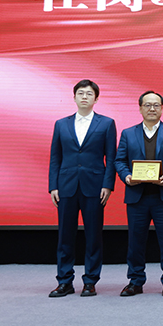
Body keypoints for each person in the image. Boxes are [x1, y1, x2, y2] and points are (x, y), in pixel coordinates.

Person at [48, 80, 117, 297]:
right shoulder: (61, 124)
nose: (84, 97)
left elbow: (111, 158)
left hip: (95, 187)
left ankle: (90, 281)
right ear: (74, 97)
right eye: (80, 93)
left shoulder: (106, 123)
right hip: (66, 186)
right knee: (65, 236)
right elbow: (55, 157)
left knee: (93, 236)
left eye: (89, 94)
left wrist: (108, 185)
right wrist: (53, 186)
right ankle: (64, 281)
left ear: (96, 98)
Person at [114, 91, 163, 297]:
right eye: (147, 105)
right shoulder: (128, 133)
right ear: (140, 108)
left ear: (162, 108)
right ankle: (135, 281)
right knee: (135, 241)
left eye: (156, 105)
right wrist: (127, 176)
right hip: (137, 196)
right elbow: (119, 161)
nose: (152, 109)